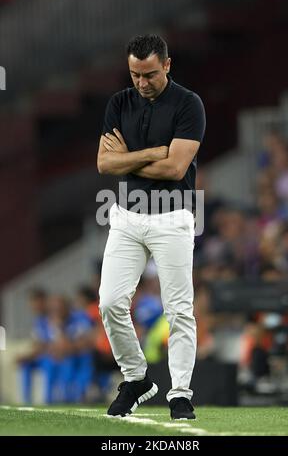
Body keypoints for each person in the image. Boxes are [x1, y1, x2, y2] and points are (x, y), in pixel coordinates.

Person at [97, 34, 206, 419]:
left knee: (178, 309)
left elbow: (176, 168)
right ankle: (137, 378)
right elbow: (104, 164)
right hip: (126, 215)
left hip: (174, 215)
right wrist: (146, 155)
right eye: (135, 75)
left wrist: (126, 158)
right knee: (110, 302)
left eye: (150, 74)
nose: (142, 83)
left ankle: (179, 394)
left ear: (168, 65)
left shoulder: (189, 104)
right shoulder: (119, 102)